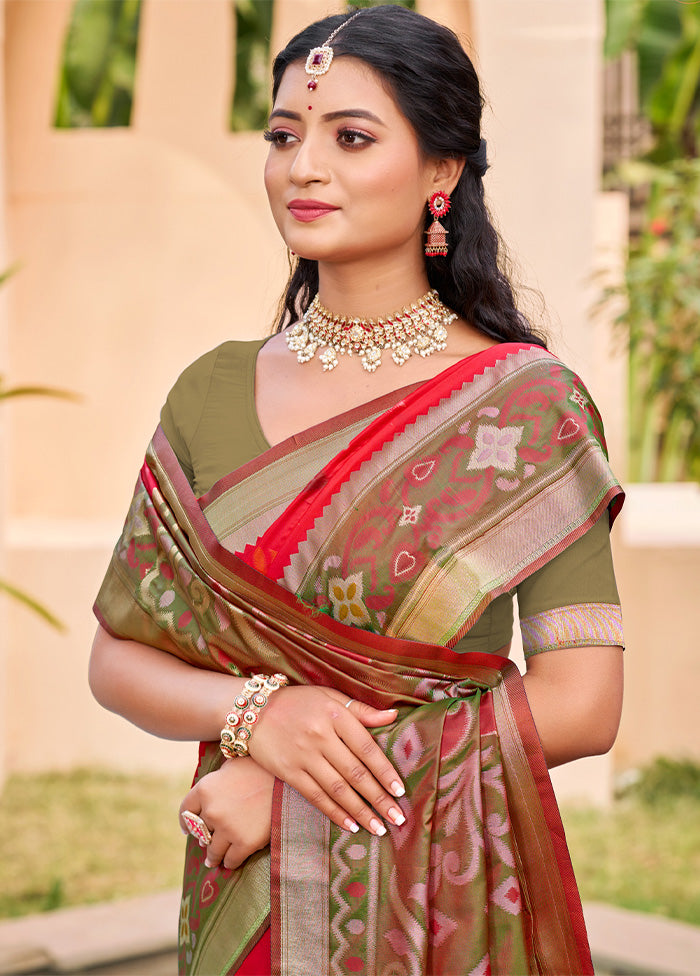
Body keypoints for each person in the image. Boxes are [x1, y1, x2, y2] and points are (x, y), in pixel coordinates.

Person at [89, 6, 624, 974]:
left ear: (441, 173)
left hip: (434, 904)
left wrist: (290, 789)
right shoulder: (211, 390)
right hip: (242, 897)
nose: (304, 167)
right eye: (285, 136)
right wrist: (257, 716)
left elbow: (583, 704)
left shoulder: (523, 408)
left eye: (350, 137)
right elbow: (118, 660)